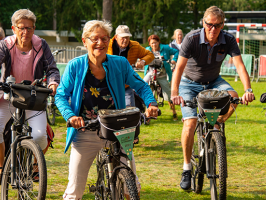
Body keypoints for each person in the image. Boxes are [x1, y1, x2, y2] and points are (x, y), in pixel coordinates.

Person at [54, 20, 159, 200]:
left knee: (131, 186)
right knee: (74, 191)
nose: (100, 43)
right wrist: (70, 116)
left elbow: (141, 86)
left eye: (104, 38)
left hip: (116, 129)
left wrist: (151, 104)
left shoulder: (120, 63)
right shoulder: (75, 66)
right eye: (94, 38)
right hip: (85, 130)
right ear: (85, 41)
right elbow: (61, 95)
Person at [170, 6, 255, 190]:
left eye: (217, 26)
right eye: (209, 25)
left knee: (233, 97)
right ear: (203, 23)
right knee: (190, 122)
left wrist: (247, 89)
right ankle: (186, 168)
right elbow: (179, 68)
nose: (213, 29)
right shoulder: (191, 38)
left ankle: (215, 123)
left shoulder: (228, 39)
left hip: (214, 81)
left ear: (222, 25)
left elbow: (240, 65)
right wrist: (174, 94)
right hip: (189, 82)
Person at [0, 9, 60, 173]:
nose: (25, 32)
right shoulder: (6, 45)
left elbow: (52, 69)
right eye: (21, 28)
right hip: (9, 95)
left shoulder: (41, 45)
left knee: (40, 136)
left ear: (34, 28)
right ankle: (1, 168)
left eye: (29, 28)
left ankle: (34, 165)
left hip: (34, 96)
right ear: (13, 29)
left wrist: (53, 83)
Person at [107, 25, 154, 107]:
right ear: (116, 37)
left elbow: (150, 55)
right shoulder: (107, 45)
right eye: (123, 37)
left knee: (129, 112)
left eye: (127, 37)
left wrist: (143, 61)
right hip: (108, 86)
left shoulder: (135, 46)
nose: (125, 40)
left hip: (125, 85)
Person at [144, 34, 179, 121]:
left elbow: (176, 51)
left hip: (162, 74)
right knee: (144, 88)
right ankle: (147, 114)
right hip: (151, 73)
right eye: (152, 43)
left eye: (155, 43)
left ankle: (174, 111)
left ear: (159, 42)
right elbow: (141, 57)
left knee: (168, 93)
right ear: (149, 44)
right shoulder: (147, 50)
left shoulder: (165, 48)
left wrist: (174, 59)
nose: (154, 45)